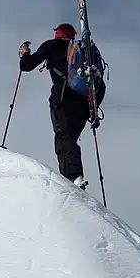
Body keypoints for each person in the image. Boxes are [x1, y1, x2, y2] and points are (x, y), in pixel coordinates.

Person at [19, 23, 106, 189]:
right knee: (70, 138)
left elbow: (26, 66)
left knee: (63, 136)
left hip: (63, 97)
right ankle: (74, 175)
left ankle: (73, 178)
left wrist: (24, 53)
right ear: (72, 35)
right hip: (84, 102)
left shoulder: (51, 46)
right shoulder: (82, 52)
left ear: (57, 34)